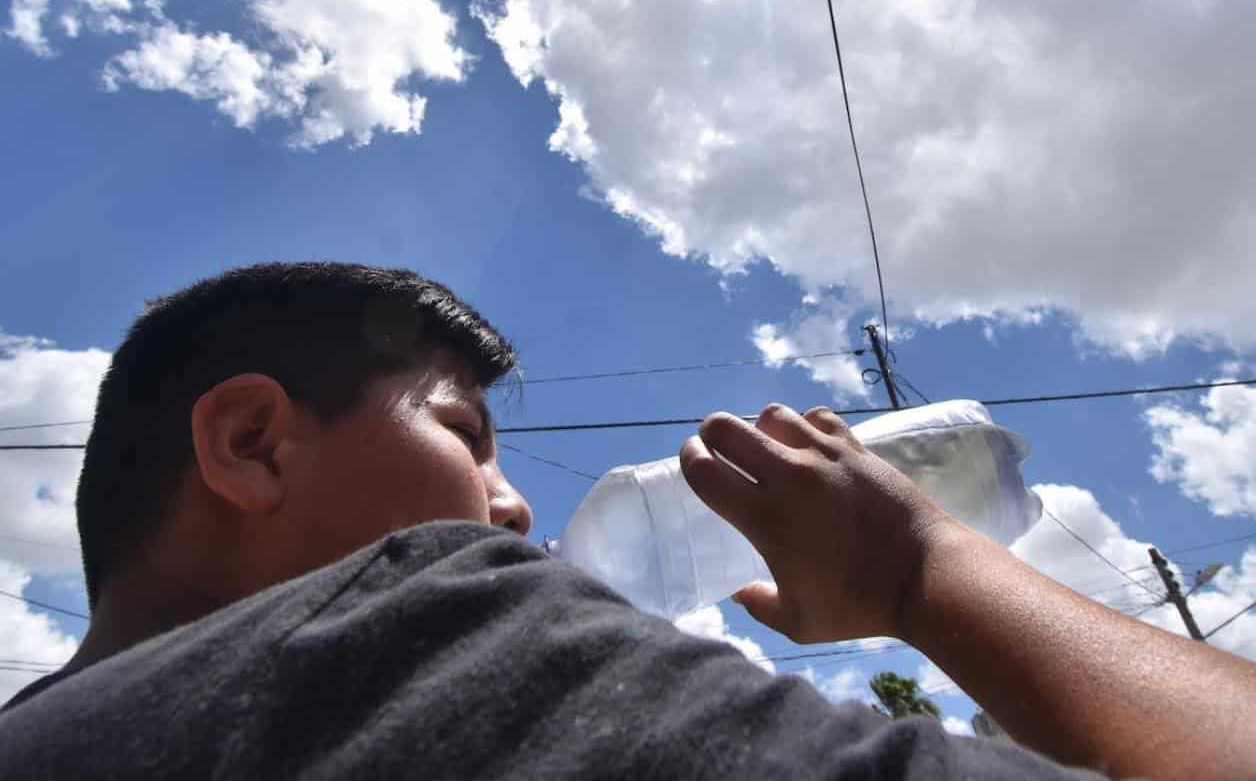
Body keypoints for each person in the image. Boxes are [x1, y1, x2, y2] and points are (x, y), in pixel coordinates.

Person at [0, 262, 1252, 779]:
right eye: (463, 437)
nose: (511, 501)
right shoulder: (408, 644)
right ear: (253, 443)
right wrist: (924, 567)